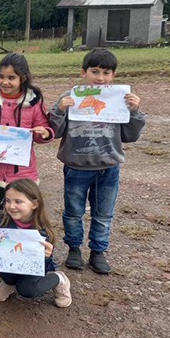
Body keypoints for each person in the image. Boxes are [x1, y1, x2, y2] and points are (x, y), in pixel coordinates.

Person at [49, 48, 145, 274]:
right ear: (83, 72)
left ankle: (98, 251)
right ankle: (74, 248)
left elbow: (130, 136)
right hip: (76, 166)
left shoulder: (121, 99)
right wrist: (60, 109)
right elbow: (55, 130)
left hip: (108, 166)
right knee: (73, 211)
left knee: (103, 213)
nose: (100, 78)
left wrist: (135, 111)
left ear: (113, 75)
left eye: (106, 73)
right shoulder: (70, 97)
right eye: (95, 71)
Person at [0, 53, 54, 221]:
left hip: (22, 171)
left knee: (21, 215)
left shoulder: (34, 101)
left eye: (11, 78)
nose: (5, 82)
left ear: (23, 78)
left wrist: (44, 132)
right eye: (1, 77)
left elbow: (43, 127)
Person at [0, 179, 72, 308]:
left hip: (30, 270)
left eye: (18, 201)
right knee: (5, 272)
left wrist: (45, 257)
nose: (11, 206)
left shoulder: (42, 232)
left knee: (27, 290)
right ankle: (9, 282)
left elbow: (43, 268)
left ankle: (59, 279)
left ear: (34, 204)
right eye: (8, 200)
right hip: (8, 264)